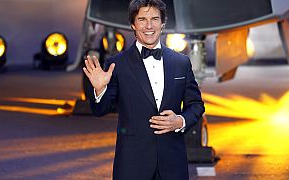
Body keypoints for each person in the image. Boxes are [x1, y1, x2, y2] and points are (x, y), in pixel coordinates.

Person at [83, 0, 205, 179]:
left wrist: (180, 121)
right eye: (142, 19)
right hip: (132, 166)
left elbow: (196, 105)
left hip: (173, 165)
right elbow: (100, 110)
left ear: (163, 23)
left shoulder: (181, 62)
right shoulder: (117, 64)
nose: (149, 26)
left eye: (155, 19)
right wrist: (99, 90)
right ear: (133, 24)